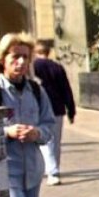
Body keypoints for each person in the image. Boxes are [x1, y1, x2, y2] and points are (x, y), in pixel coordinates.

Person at [0, 33, 54, 197]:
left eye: (25, 57)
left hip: (33, 171)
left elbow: (49, 125)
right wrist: (6, 132)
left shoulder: (36, 91)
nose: (21, 61)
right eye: (16, 56)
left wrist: (37, 133)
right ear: (3, 59)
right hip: (5, 171)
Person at [33, 41, 76, 185]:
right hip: (57, 108)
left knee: (41, 140)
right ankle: (53, 170)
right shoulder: (57, 67)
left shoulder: (33, 67)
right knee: (54, 141)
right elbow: (66, 89)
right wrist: (71, 109)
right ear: (48, 52)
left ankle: (48, 170)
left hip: (38, 108)